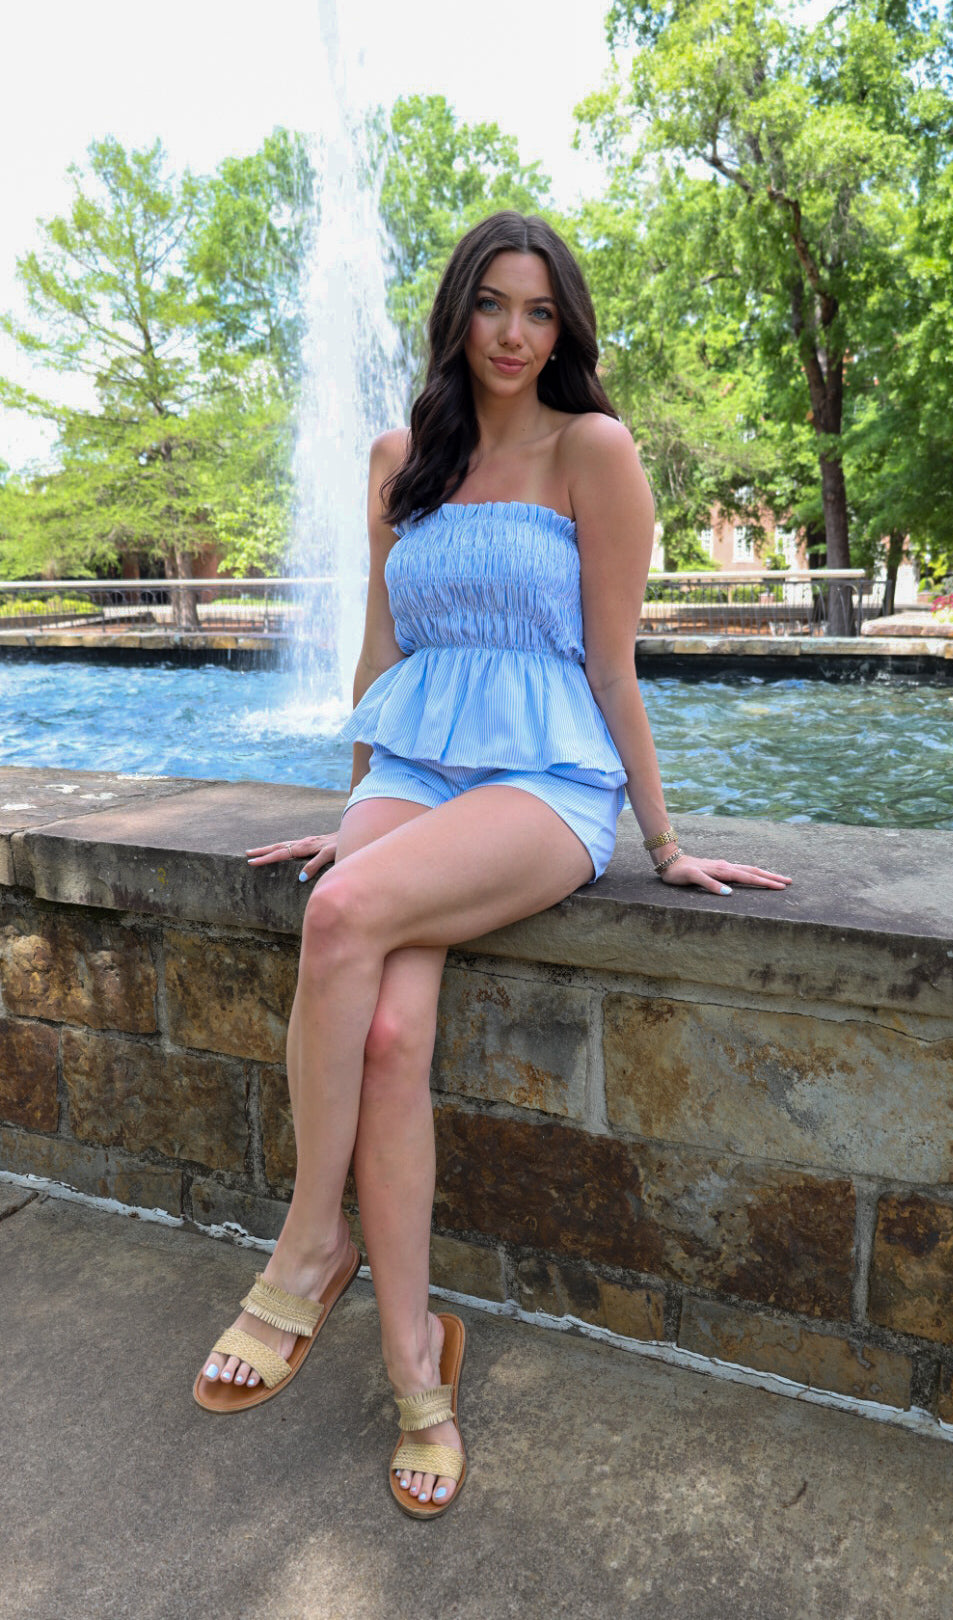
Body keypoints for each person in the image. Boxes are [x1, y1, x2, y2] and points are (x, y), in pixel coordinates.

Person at [192, 212, 792, 1518]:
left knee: (342, 915)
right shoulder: (403, 457)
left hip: (548, 779)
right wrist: (356, 806)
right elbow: (378, 650)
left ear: (563, 327)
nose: (516, 334)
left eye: (539, 311)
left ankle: (308, 1247)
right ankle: (420, 1371)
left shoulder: (595, 450)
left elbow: (614, 663)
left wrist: (667, 840)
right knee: (393, 1034)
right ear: (457, 314)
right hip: (413, 771)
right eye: (493, 307)